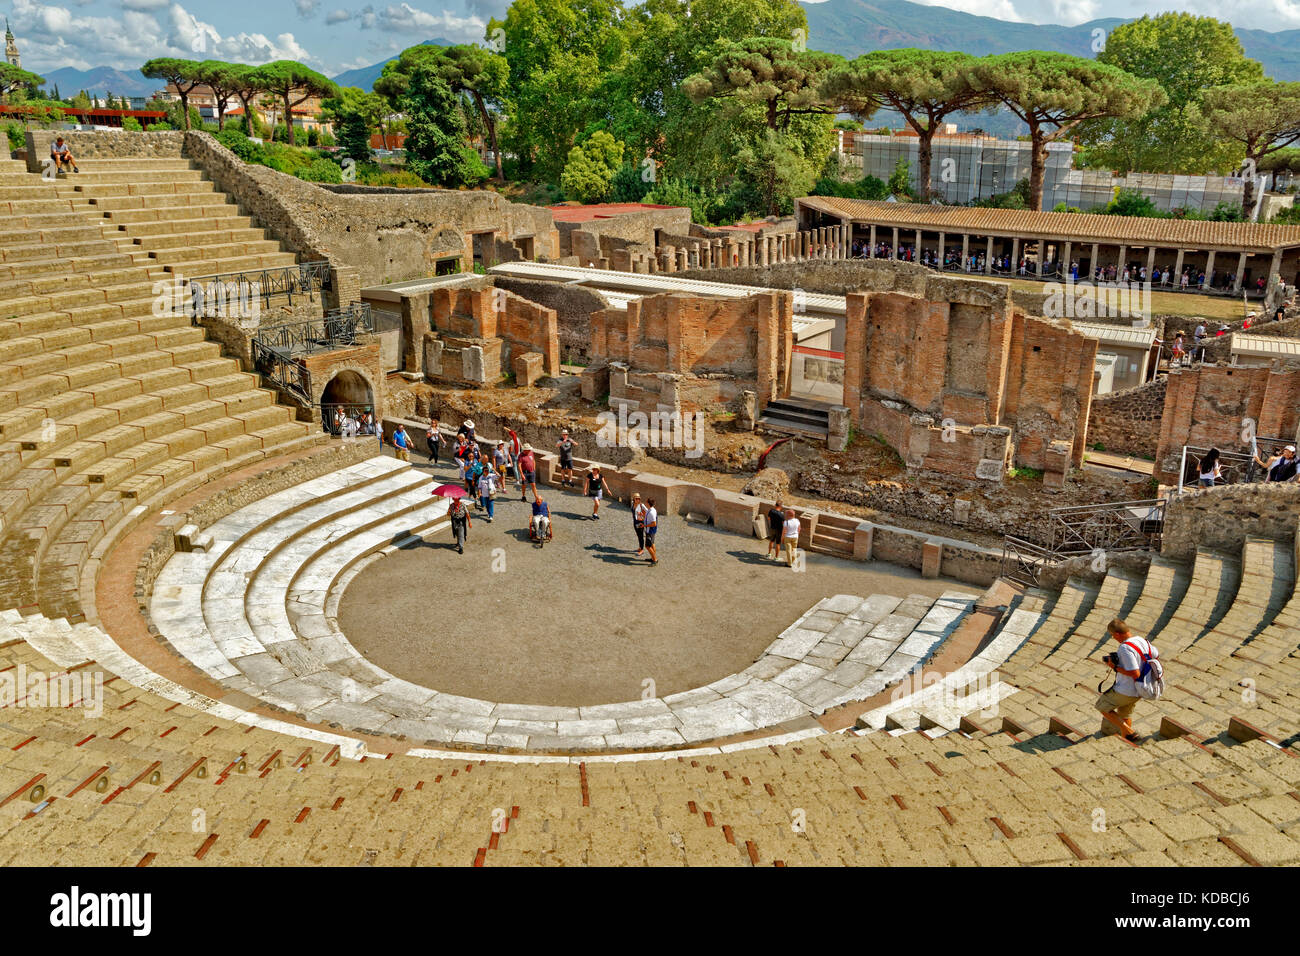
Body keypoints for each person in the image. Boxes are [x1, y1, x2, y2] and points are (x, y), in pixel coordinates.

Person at [1094, 618, 1158, 742]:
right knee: (1125, 714)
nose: (1113, 638)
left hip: (1126, 690)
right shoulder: (1141, 640)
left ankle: (1128, 731)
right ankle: (1128, 740)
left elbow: (1135, 673)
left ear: (1117, 634)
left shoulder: (1125, 648)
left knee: (1102, 706)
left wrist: (1115, 667)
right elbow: (1155, 655)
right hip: (1140, 689)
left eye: (1112, 636)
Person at [643, 497, 658, 565]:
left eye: (646, 502)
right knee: (652, 544)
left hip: (650, 531)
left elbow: (654, 523)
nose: (645, 503)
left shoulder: (651, 512)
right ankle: (653, 557)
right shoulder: (651, 510)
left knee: (647, 546)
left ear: (649, 503)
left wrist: (645, 526)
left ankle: (655, 559)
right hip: (651, 531)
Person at [631, 492, 647, 556]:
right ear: (634, 499)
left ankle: (642, 549)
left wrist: (643, 517)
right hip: (635, 522)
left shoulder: (641, 505)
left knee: (641, 536)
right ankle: (640, 547)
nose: (638, 499)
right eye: (636, 498)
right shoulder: (632, 504)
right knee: (638, 535)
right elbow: (633, 512)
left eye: (639, 498)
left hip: (640, 522)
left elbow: (647, 512)